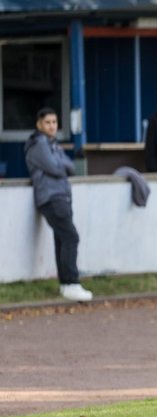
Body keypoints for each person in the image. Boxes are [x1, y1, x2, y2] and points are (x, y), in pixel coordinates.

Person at [24, 108, 92, 302]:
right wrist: (61, 165)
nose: (52, 126)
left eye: (54, 122)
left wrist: (61, 165)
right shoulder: (38, 144)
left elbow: (70, 167)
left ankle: (66, 284)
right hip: (51, 197)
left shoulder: (53, 144)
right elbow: (55, 167)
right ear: (39, 124)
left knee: (62, 239)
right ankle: (71, 282)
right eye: (48, 122)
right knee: (71, 237)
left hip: (61, 195)